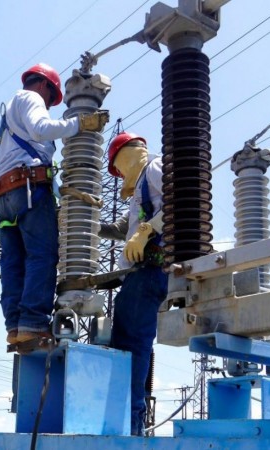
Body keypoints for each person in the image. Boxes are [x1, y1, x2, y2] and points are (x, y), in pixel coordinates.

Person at [0, 62, 108, 345]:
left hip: (4, 196)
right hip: (28, 190)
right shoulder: (29, 97)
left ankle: (16, 327)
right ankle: (32, 323)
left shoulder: (5, 120)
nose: (49, 106)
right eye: (51, 100)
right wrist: (80, 123)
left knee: (13, 263)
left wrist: (61, 190)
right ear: (44, 86)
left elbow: (27, 152)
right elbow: (42, 129)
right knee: (41, 256)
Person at [100, 131, 167, 436]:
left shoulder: (154, 168)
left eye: (117, 168)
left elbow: (181, 202)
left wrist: (147, 230)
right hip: (142, 273)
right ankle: (130, 422)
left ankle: (130, 426)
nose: (119, 175)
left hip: (150, 269)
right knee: (129, 343)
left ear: (125, 155)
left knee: (129, 347)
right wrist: (90, 224)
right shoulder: (141, 187)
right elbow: (123, 229)